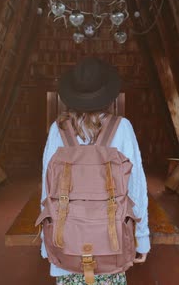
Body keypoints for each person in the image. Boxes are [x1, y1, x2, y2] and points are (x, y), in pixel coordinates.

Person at [40, 57, 150, 285]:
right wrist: (142, 238)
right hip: (111, 241)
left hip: (65, 241)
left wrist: (46, 240)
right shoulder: (122, 127)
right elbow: (136, 188)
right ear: (107, 96)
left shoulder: (57, 130)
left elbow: (47, 189)